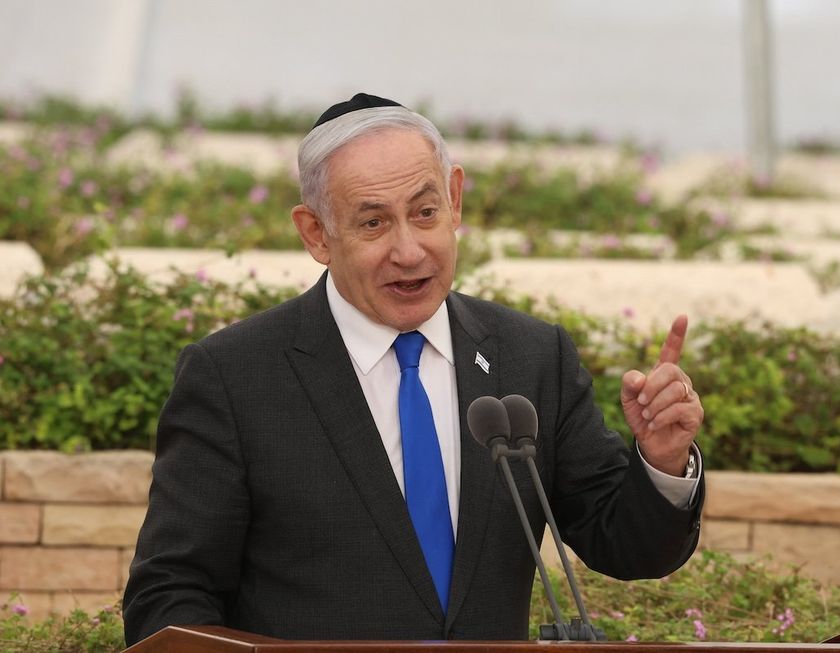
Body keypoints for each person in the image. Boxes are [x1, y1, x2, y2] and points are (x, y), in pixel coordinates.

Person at [122, 93, 706, 645]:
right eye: (373, 223)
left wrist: (661, 460)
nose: (409, 251)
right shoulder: (235, 377)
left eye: (425, 213)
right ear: (317, 234)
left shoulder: (531, 356)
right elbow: (170, 592)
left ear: (455, 200)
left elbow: (626, 545)